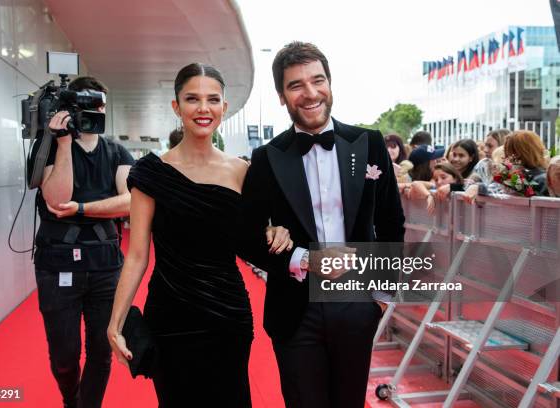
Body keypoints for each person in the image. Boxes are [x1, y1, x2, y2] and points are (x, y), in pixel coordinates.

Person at [107, 63, 292, 407]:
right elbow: (137, 255)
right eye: (192, 99)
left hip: (228, 315)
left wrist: (274, 228)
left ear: (224, 107)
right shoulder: (151, 172)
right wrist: (115, 323)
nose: (203, 108)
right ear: (176, 107)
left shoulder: (242, 172)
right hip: (171, 317)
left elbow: (253, 235)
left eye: (213, 99)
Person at [240, 41, 405, 408]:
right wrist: (300, 258)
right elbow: (246, 235)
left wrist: (378, 298)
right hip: (295, 306)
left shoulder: (369, 142)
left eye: (318, 80)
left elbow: (391, 221)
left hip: (357, 301)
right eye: (296, 85)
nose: (310, 93)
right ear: (282, 96)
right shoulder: (267, 157)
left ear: (330, 83)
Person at [30, 76, 135, 408]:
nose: (92, 111)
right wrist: (62, 143)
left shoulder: (117, 150)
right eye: (83, 106)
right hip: (57, 265)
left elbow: (131, 201)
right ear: (68, 109)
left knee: (101, 352)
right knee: (64, 355)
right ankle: (70, 399)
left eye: (97, 105)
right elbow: (57, 199)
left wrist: (83, 209)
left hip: (105, 266)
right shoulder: (48, 146)